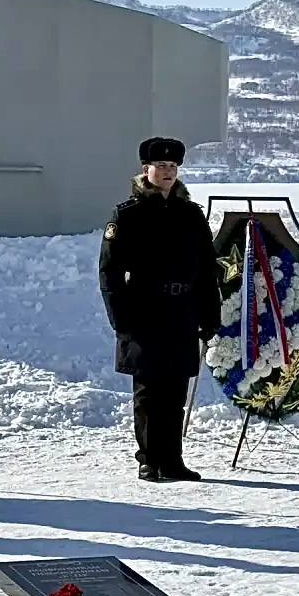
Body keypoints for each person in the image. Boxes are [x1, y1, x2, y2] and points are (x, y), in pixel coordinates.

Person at [99, 138, 220, 482]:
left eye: (172, 167)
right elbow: (109, 272)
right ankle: (149, 459)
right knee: (149, 391)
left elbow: (207, 268)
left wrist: (210, 314)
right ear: (145, 170)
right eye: (161, 166)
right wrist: (120, 318)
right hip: (145, 312)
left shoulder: (190, 214)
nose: (167, 172)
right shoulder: (129, 214)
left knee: (175, 390)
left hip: (181, 312)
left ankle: (172, 459)